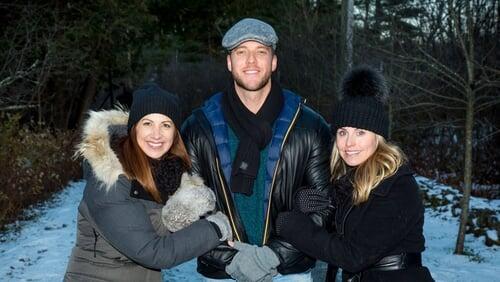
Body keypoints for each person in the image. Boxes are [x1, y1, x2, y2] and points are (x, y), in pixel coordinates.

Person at [181, 18, 332, 281]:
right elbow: (186, 208)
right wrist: (233, 260)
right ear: (229, 62)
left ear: (273, 62)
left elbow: (324, 206)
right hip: (222, 272)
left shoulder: (309, 126)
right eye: (241, 52)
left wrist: (271, 257)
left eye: (260, 52)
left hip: (288, 273)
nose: (251, 61)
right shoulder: (198, 128)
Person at [276, 66, 434, 282]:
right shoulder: (348, 181)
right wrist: (304, 204)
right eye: (343, 132)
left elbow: (353, 256)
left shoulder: (397, 186)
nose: (349, 143)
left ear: (377, 137)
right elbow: (335, 232)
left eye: (360, 132)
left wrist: (296, 228)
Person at [64, 83, 232, 282]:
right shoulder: (110, 181)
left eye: (166, 125)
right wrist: (215, 228)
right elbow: (154, 252)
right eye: (147, 123)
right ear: (133, 128)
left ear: (175, 133)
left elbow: (180, 219)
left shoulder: (167, 173)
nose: (156, 134)